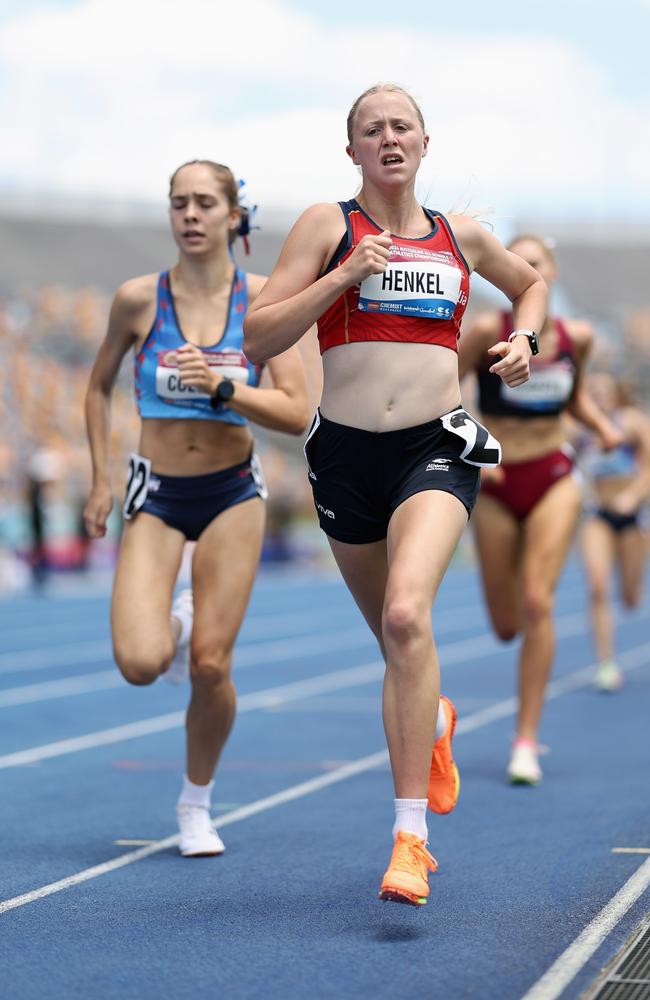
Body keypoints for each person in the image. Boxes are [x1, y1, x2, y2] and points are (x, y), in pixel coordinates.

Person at [244, 83, 548, 906]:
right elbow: (259, 336)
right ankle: (434, 719)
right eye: (370, 129)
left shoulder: (461, 236)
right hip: (343, 457)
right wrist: (344, 276)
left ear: (423, 142)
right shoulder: (327, 225)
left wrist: (523, 339)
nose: (387, 137)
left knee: (409, 616)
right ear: (352, 151)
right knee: (395, 643)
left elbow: (530, 288)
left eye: (400, 126)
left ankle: (410, 839)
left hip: (433, 447)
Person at [84, 160, 310, 857]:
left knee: (213, 666)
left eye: (205, 202)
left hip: (232, 493)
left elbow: (297, 411)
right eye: (179, 202)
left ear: (234, 214)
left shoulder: (267, 298)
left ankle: (195, 805)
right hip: (155, 491)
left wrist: (222, 388)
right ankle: (177, 625)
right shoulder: (137, 300)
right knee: (139, 662)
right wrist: (99, 477)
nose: (190, 214)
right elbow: (96, 388)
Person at [459, 234, 620, 786]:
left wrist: (601, 427)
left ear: (549, 274)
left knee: (538, 601)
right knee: (507, 625)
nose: (524, 272)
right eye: (516, 263)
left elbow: (573, 398)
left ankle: (525, 740)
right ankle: (522, 725)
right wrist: (476, 449)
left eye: (535, 264)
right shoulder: (485, 331)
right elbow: (443, 388)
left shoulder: (577, 337)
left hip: (553, 472)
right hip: (498, 479)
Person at [578, 372, 650, 691]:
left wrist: (632, 496)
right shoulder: (579, 428)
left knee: (630, 597)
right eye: (592, 391)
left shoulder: (631, 421)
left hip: (632, 516)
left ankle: (632, 592)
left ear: (616, 393)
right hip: (598, 515)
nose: (598, 395)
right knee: (597, 586)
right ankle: (606, 664)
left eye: (604, 390)